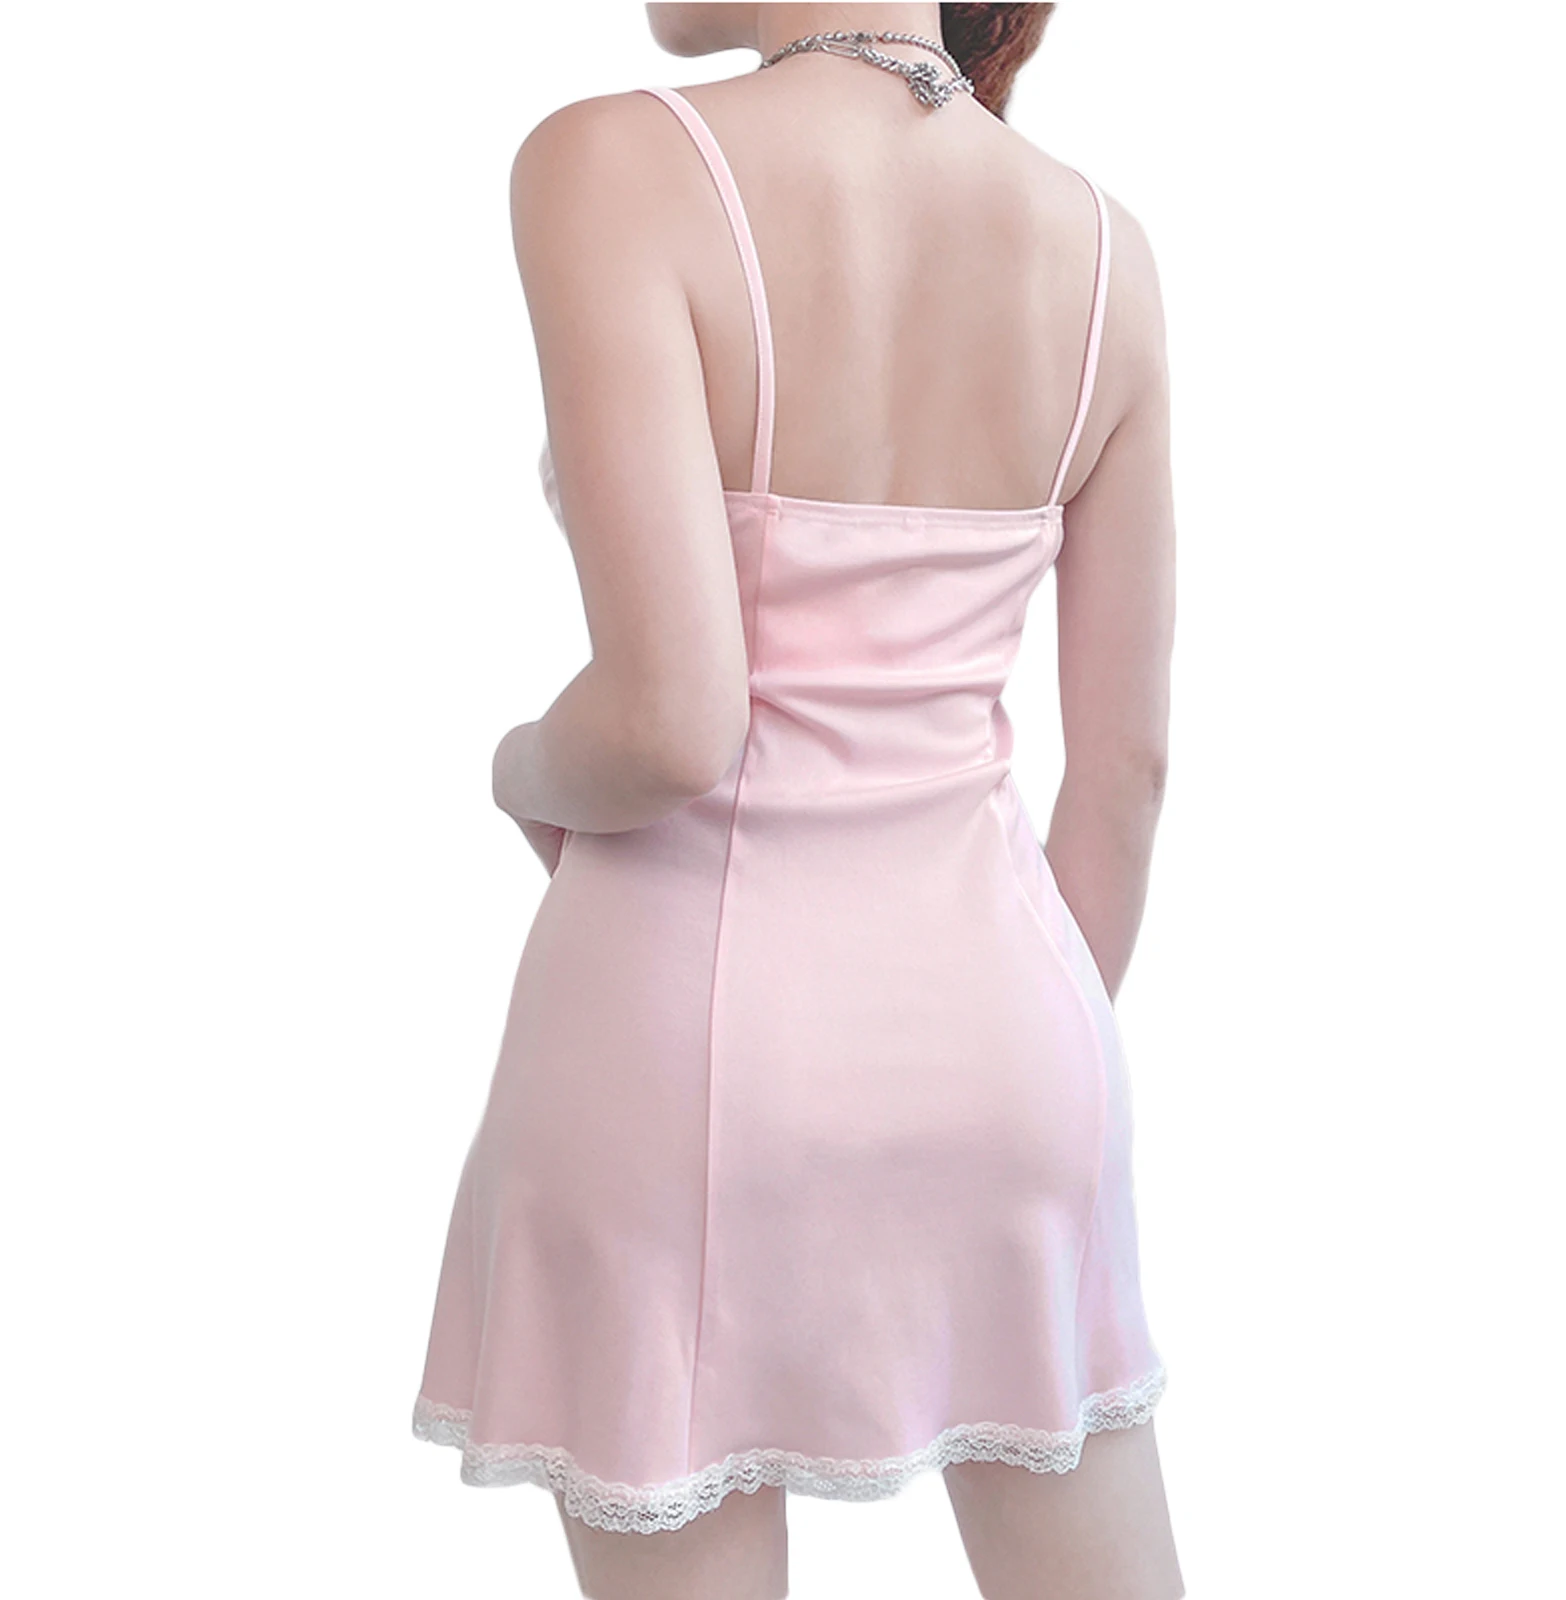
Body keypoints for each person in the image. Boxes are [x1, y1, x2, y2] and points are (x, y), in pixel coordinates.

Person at [411, 5, 1183, 1596]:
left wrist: (517, 768)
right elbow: (1124, 776)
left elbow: (670, 721)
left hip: (684, 1045)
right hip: (1010, 1046)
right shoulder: (1106, 249)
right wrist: (981, 1085)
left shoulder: (615, 165)